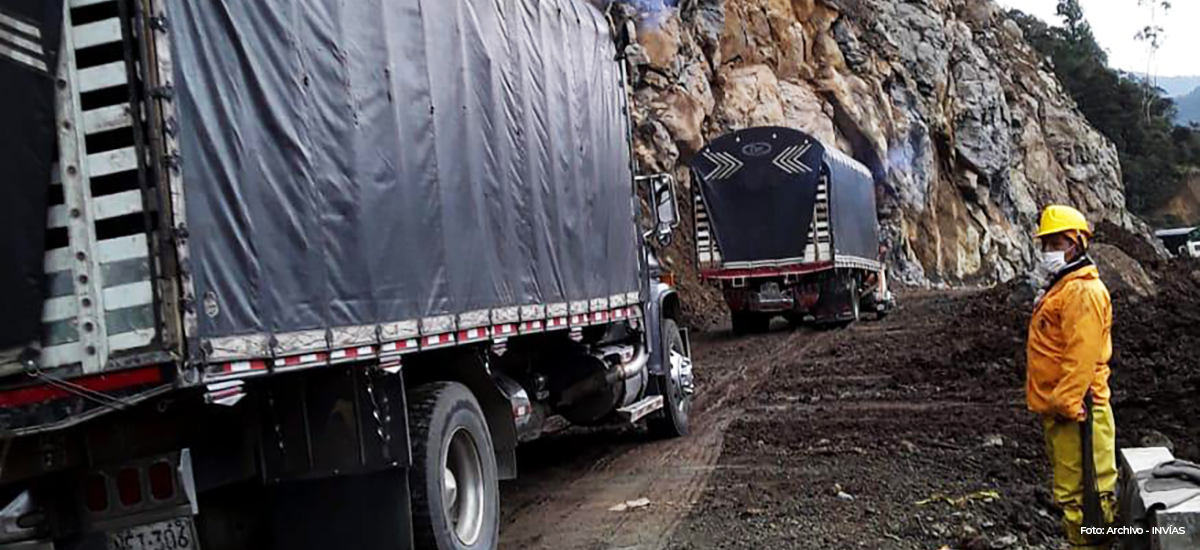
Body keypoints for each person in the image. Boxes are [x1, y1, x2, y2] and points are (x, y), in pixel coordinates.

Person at [1026, 205, 1117, 549]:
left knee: (1089, 495)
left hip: (1080, 410)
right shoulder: (1063, 287)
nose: (1049, 250)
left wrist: (1065, 402)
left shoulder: (1082, 292)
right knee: (1074, 492)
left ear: (1077, 244)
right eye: (1046, 243)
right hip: (1065, 407)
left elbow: (1082, 355)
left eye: (1055, 242)